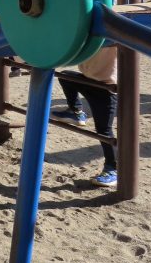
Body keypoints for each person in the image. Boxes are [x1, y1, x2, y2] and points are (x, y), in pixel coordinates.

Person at [51, 44, 119, 187]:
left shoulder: (113, 37)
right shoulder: (88, 35)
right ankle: (75, 112)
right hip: (87, 80)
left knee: (104, 131)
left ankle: (112, 169)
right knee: (65, 77)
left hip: (106, 89)